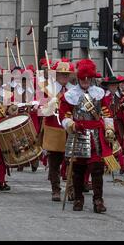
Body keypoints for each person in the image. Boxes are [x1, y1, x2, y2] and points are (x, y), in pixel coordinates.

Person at [60, 59, 116, 213]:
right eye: (82, 79)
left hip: (96, 135)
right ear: (78, 79)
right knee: (78, 169)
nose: (85, 81)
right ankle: (78, 198)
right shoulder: (70, 95)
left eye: (88, 79)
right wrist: (71, 124)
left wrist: (109, 129)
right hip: (78, 134)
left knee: (97, 168)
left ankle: (98, 200)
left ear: (91, 79)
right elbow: (64, 115)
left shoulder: (99, 94)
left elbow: (106, 112)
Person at [38, 60, 75, 202]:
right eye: (61, 74)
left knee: (72, 160)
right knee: (54, 161)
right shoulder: (48, 89)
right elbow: (40, 109)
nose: (64, 77)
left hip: (70, 127)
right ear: (56, 75)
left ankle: (71, 188)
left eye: (66, 74)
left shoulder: (74, 90)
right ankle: (56, 190)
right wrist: (48, 106)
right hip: (53, 127)